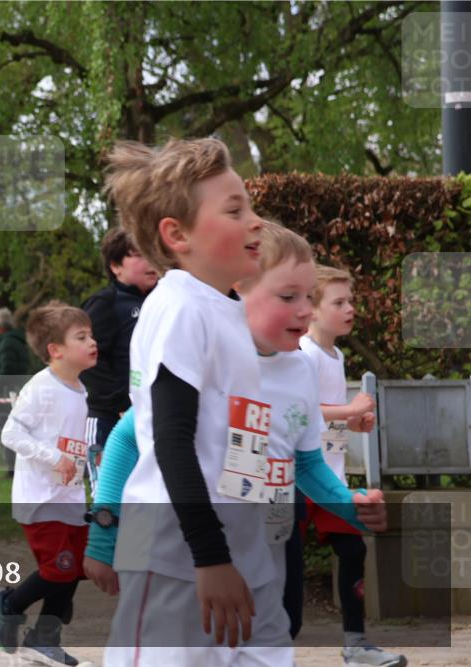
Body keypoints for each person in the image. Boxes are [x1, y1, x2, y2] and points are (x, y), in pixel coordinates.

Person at [85, 222, 389, 667]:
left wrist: (348, 503)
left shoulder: (300, 369)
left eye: (310, 298)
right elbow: (132, 435)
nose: (305, 311)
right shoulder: (205, 351)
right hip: (180, 555)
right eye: (288, 297)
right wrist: (103, 531)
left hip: (261, 554)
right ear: (238, 289)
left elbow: (304, 462)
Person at [101, 137, 276, 666]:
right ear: (177, 234)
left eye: (250, 207)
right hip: (176, 559)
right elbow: (171, 440)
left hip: (230, 557)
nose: (256, 222)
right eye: (234, 210)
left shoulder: (222, 310)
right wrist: (211, 555)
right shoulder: (178, 307)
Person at [298, 266, 404, 667]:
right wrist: (349, 409)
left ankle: (356, 645)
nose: (350, 309)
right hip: (298, 478)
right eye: (338, 302)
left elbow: (326, 414)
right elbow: (303, 412)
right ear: (312, 309)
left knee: (353, 549)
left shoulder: (335, 353)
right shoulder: (304, 354)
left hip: (331, 478)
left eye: (351, 301)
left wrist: (352, 420)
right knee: (280, 564)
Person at [0, 301, 97, 666]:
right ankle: (11, 603)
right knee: (59, 569)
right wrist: (55, 459)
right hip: (39, 497)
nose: (92, 342)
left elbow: (75, 443)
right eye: (81, 336)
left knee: (75, 567)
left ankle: (45, 639)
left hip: (69, 497)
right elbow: (10, 433)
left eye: (91, 335)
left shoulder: (82, 390)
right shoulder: (42, 387)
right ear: (56, 350)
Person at [79, 228, 158, 491]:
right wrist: (122, 402)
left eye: (153, 253)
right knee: (111, 499)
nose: (150, 261)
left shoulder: (165, 300)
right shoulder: (105, 303)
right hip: (108, 419)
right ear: (115, 266)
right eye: (139, 255)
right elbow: (89, 363)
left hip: (153, 416)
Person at [0, 307, 33, 479]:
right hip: (17, 390)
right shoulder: (16, 342)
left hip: (8, 393)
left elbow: (6, 371)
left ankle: (13, 467)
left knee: (6, 429)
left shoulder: (7, 344)